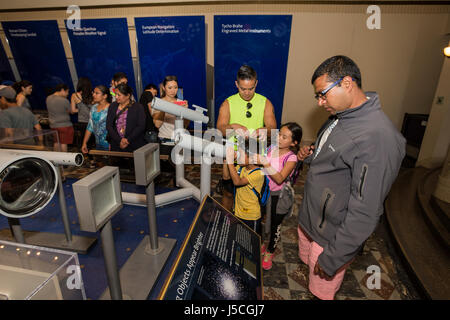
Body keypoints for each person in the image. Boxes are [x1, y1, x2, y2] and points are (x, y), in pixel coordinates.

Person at [296, 55, 406, 300]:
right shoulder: (341, 115)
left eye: (323, 94)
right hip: (311, 221)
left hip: (330, 237)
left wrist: (335, 256)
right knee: (308, 275)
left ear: (347, 83)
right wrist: (311, 155)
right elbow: (336, 156)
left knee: (320, 291)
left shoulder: (378, 138)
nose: (320, 102)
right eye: (318, 96)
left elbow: (365, 211)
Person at [216, 65, 277, 211]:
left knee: (253, 196)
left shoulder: (265, 102)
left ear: (256, 83)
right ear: (236, 84)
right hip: (234, 155)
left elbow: (273, 130)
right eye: (243, 88)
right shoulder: (228, 103)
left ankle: (251, 226)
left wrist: (265, 130)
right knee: (228, 193)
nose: (247, 92)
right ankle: (226, 223)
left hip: (255, 157)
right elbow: (220, 129)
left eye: (251, 88)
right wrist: (232, 126)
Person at [256, 122, 302, 270]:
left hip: (278, 196)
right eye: (279, 134)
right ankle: (264, 243)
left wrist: (265, 163)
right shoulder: (271, 148)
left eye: (285, 137)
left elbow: (280, 178)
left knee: (275, 224)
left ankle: (270, 251)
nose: (279, 138)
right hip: (264, 191)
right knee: (263, 219)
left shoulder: (291, 158)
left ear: (294, 143)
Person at [226, 140, 265, 237]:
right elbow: (226, 177)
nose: (238, 156)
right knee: (239, 239)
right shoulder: (241, 167)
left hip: (251, 216)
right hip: (238, 212)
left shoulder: (258, 173)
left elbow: (237, 182)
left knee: (251, 242)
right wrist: (225, 161)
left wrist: (230, 162)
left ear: (252, 158)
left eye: (241, 154)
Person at [106, 82, 146, 152]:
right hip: (116, 144)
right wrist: (119, 140)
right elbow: (109, 126)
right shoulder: (112, 106)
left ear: (128, 96)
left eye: (119, 95)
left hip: (134, 144)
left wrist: (127, 140)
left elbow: (141, 126)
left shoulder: (138, 107)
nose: (116, 97)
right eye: (116, 94)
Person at [81, 85, 112, 154]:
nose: (93, 95)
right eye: (93, 92)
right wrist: (84, 143)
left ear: (105, 96)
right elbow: (90, 126)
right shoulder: (94, 108)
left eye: (97, 93)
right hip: (98, 144)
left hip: (109, 145)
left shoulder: (111, 109)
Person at [46, 83, 74, 152]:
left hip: (53, 125)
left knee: (56, 142)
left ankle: (56, 160)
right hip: (64, 126)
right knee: (64, 143)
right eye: (67, 91)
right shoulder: (64, 100)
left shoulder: (48, 98)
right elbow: (71, 111)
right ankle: (64, 161)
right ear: (62, 90)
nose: (68, 94)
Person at [71, 77, 94, 148]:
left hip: (82, 122)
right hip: (92, 122)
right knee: (92, 142)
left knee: (83, 142)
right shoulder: (93, 94)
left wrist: (81, 110)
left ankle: (85, 157)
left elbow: (73, 111)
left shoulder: (74, 95)